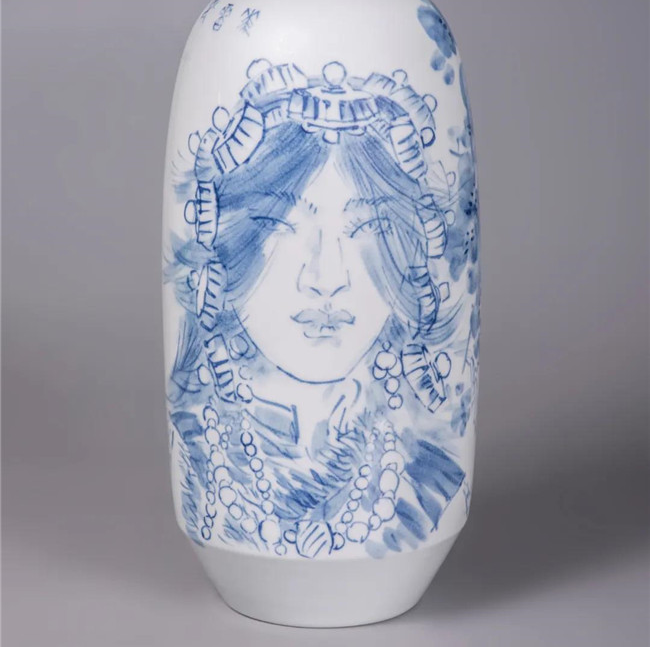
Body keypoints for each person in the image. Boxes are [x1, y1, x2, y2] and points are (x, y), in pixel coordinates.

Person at [165, 60, 474, 558]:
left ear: (409, 250)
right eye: (280, 222)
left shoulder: (425, 479)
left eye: (369, 227)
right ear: (223, 240)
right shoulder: (197, 453)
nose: (327, 278)